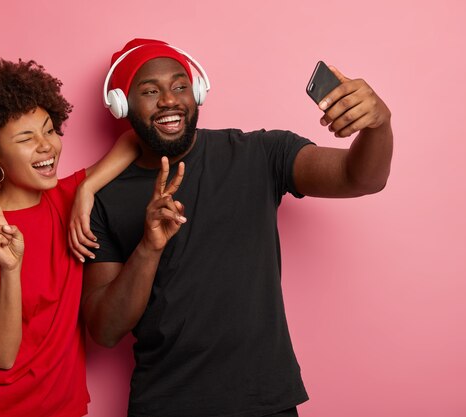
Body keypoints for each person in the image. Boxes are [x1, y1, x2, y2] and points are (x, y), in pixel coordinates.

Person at [75, 38, 393, 417]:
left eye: (180, 86)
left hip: (264, 401)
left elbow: (360, 178)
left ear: (197, 92)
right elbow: (105, 330)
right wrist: (148, 247)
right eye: (149, 91)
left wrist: (378, 125)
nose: (169, 100)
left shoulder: (258, 154)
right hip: (164, 403)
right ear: (121, 104)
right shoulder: (104, 200)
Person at [0, 58, 138, 417]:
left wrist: (88, 187)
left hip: (61, 406)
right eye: (26, 138)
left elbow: (134, 139)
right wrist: (11, 270)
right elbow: (3, 354)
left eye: (49, 130)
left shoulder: (67, 197)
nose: (46, 146)